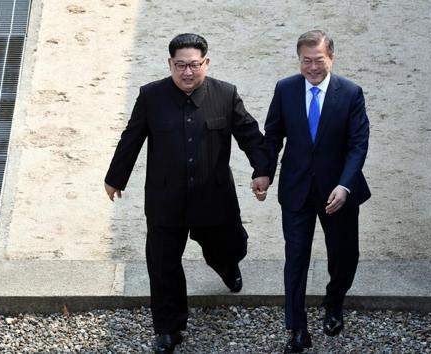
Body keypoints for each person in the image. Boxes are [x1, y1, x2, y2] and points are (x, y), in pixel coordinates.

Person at [104, 33, 270, 353]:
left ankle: (227, 265)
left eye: (194, 65)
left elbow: (250, 135)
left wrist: (261, 170)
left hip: (215, 197)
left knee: (231, 245)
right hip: (166, 200)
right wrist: (115, 178)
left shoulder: (226, 94)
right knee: (163, 265)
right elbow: (132, 138)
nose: (187, 72)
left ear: (206, 63)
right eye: (180, 65)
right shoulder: (151, 96)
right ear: (170, 64)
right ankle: (169, 329)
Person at [263, 30, 371, 353]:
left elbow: (358, 144)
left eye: (318, 60)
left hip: (337, 192)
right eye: (306, 61)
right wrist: (263, 172)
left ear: (331, 58)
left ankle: (334, 302)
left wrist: (345, 184)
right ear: (299, 60)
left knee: (345, 256)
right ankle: (297, 328)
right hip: (296, 190)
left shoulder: (351, 93)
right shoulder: (285, 89)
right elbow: (272, 136)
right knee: (295, 258)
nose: (312, 67)